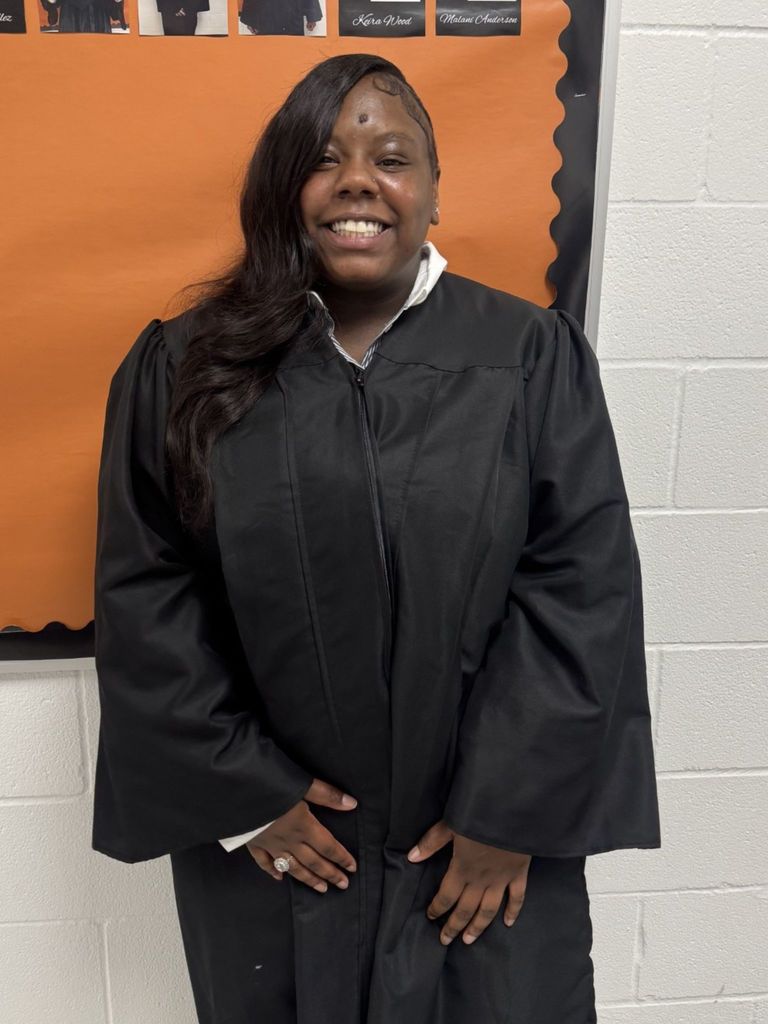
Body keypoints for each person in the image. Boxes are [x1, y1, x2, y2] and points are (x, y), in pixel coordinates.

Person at [91, 53, 661, 1024]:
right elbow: (149, 590)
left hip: (476, 849)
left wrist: (509, 813)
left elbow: (580, 587)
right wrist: (244, 794)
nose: (359, 179)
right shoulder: (187, 365)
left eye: (392, 157)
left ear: (434, 193)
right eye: (322, 158)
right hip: (286, 843)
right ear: (284, 193)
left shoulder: (527, 355)